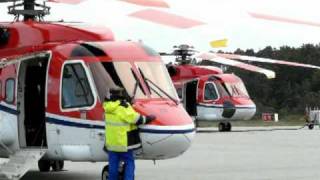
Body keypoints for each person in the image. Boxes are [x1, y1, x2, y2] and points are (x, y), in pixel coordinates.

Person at [103, 87, 155, 180]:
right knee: (129, 162)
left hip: (111, 144)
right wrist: (149, 118)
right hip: (123, 143)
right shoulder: (123, 108)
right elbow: (136, 119)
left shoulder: (107, 107)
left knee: (113, 165)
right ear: (121, 95)